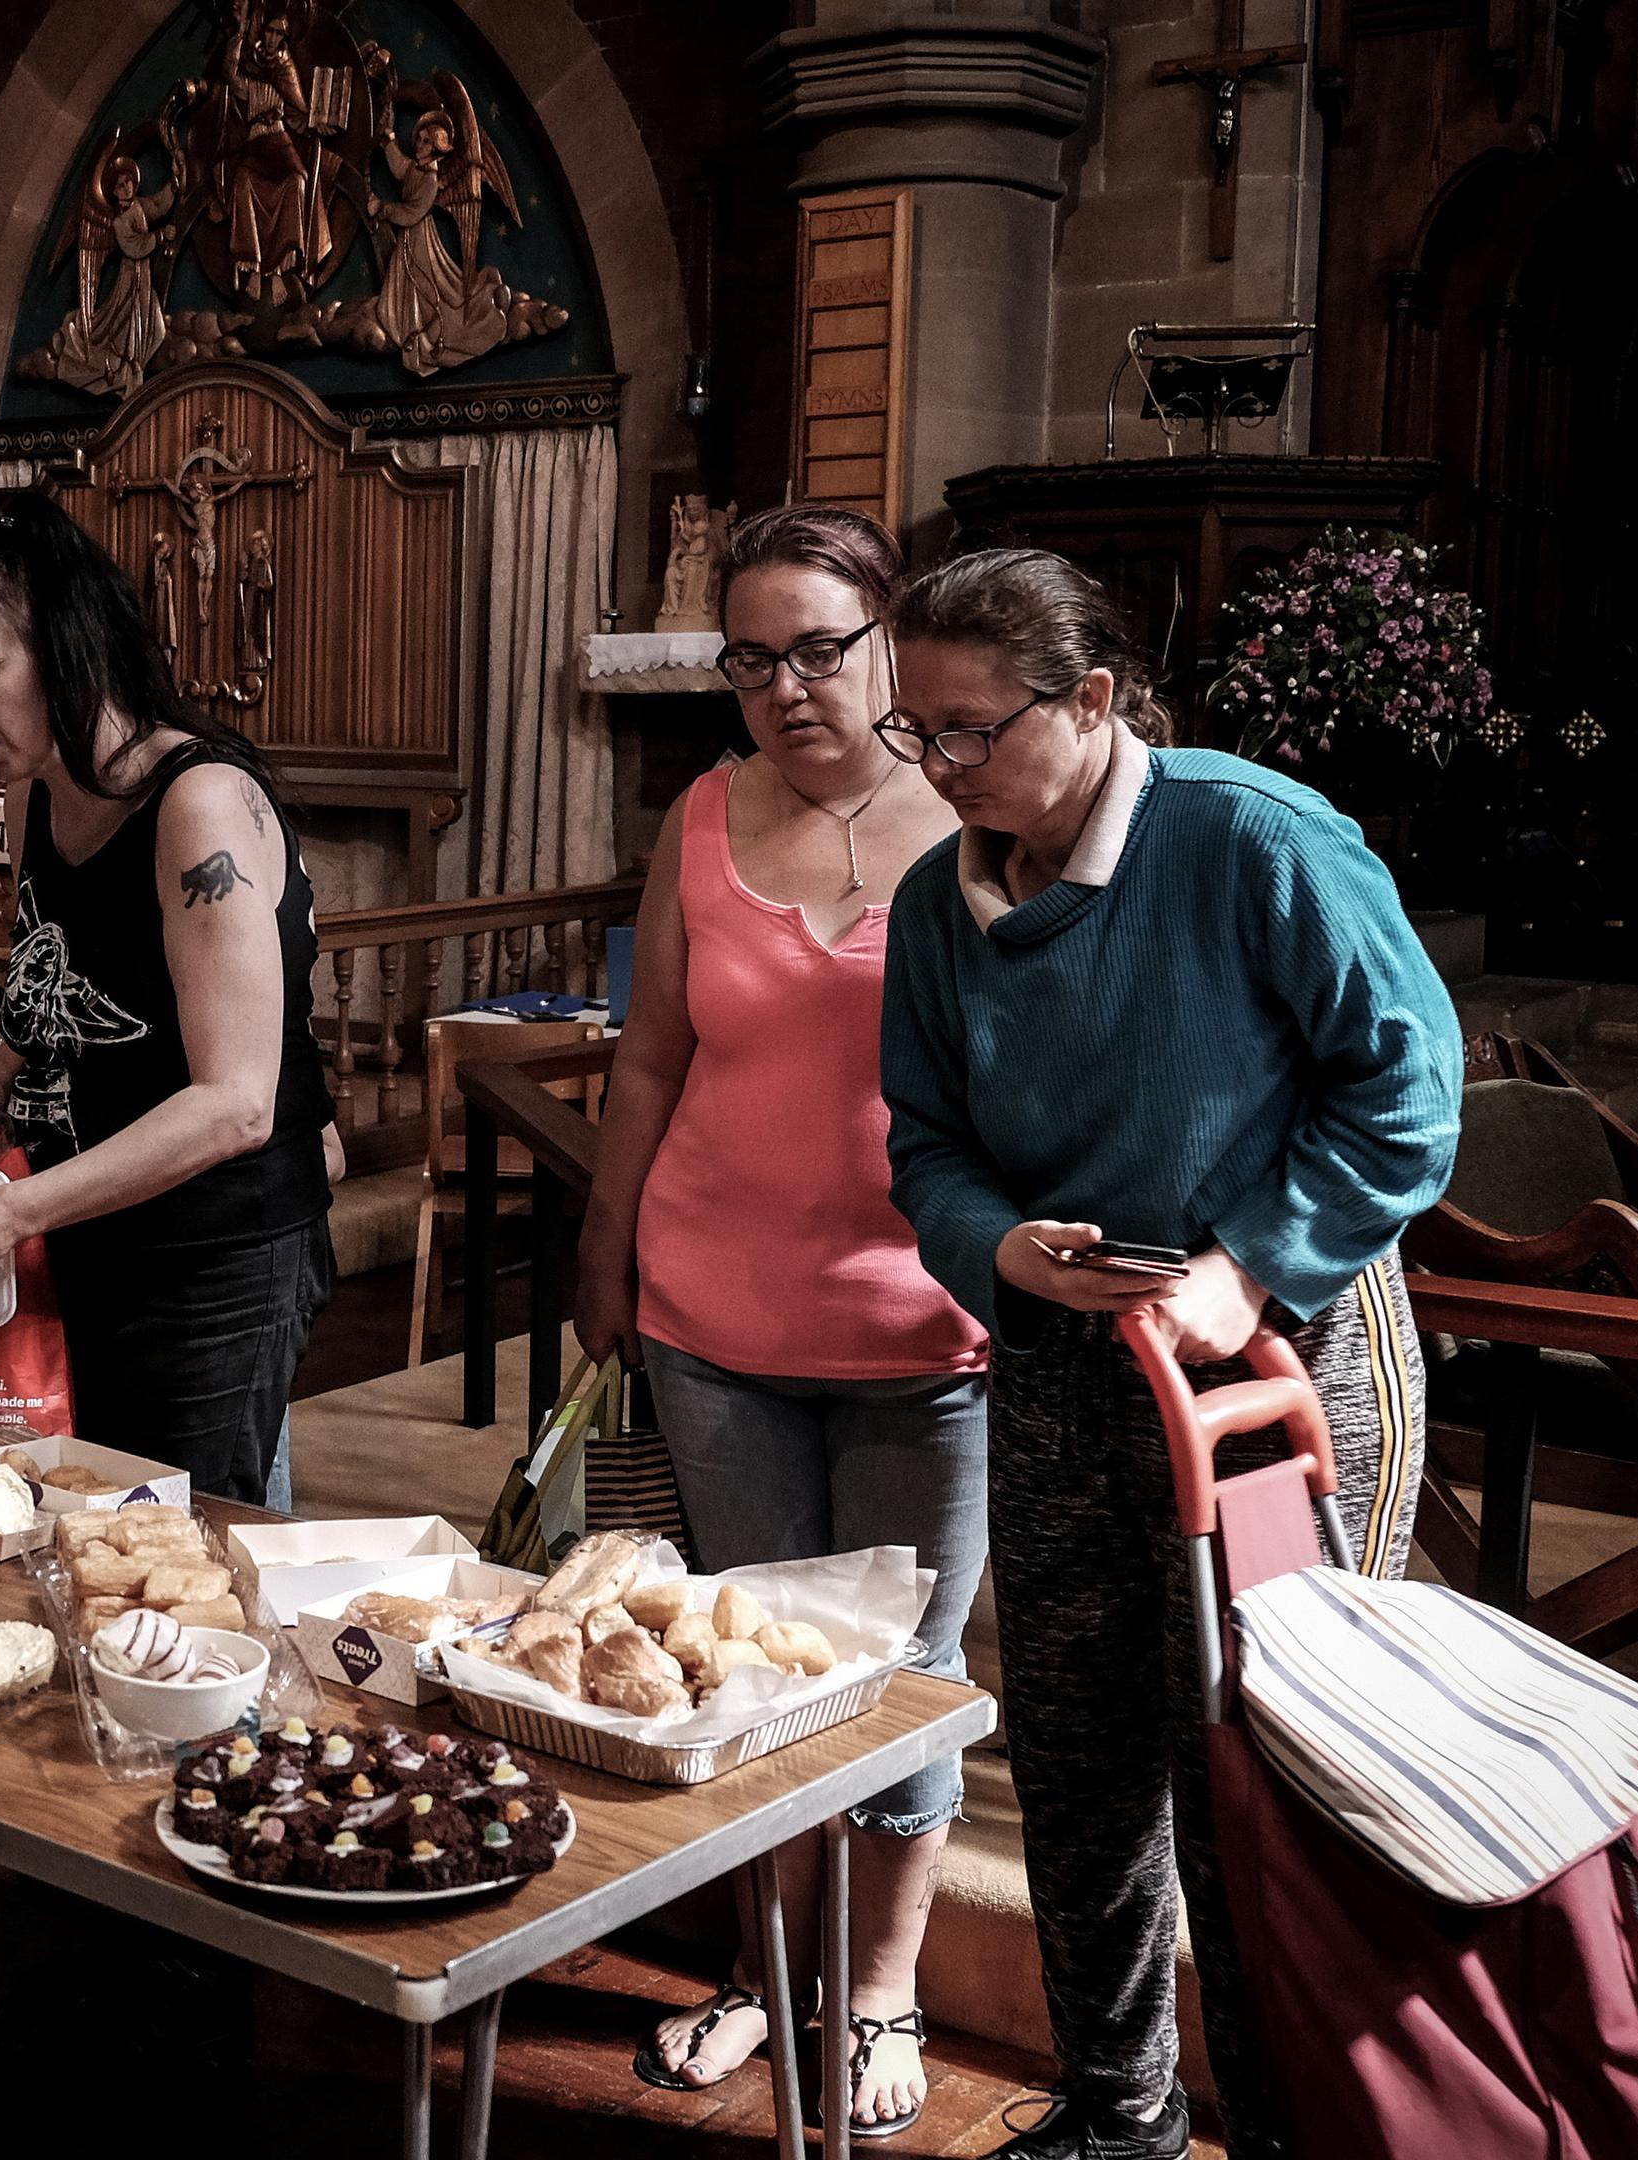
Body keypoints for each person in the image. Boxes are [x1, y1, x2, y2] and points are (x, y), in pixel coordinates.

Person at [875, 549, 1457, 2160]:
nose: (938, 768)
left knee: (1264, 1772)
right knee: (1074, 1752)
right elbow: (922, 1143)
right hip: (1067, 1357)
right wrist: (994, 1245)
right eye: (913, 731)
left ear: (1093, 701)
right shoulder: (941, 900)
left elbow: (1407, 1100)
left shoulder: (1253, 837)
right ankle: (1117, 2110)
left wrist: (1246, 1262)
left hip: (1283, 1357)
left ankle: (1292, 2126)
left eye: (970, 732)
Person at [571, 505, 983, 2136]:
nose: (789, 688)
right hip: (711, 1321)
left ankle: (879, 1992)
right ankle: (760, 1970)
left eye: (820, 647)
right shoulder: (702, 818)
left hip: (924, 1326)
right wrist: (606, 1255)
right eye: (754, 659)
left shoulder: (974, 809)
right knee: (744, 1672)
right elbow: (651, 1061)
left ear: (889, 635)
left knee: (901, 1678)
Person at [0, 502, 334, 1503]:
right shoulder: (35, 794)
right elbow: (62, 1002)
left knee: (179, 1546)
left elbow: (237, 1102)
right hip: (96, 1226)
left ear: (66, 649)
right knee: (86, 1516)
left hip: (214, 1252)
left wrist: (2, 1218)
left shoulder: (195, 804)